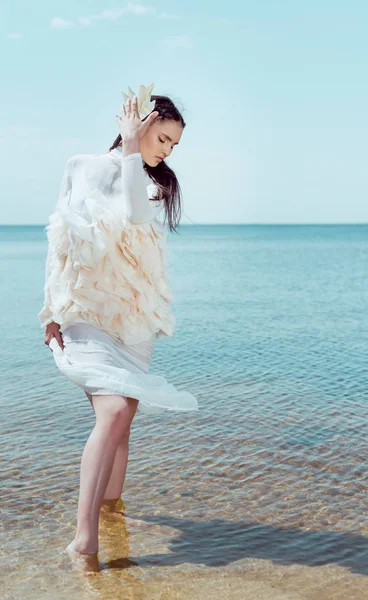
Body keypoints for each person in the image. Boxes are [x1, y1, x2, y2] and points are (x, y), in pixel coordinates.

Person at [38, 85, 198, 566]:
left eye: (172, 145)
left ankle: (112, 512)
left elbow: (131, 212)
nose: (166, 150)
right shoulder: (79, 166)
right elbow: (59, 241)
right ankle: (84, 537)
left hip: (130, 320)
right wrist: (48, 313)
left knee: (124, 417)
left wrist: (133, 149)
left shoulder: (149, 182)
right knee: (111, 413)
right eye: (163, 138)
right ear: (144, 121)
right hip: (86, 310)